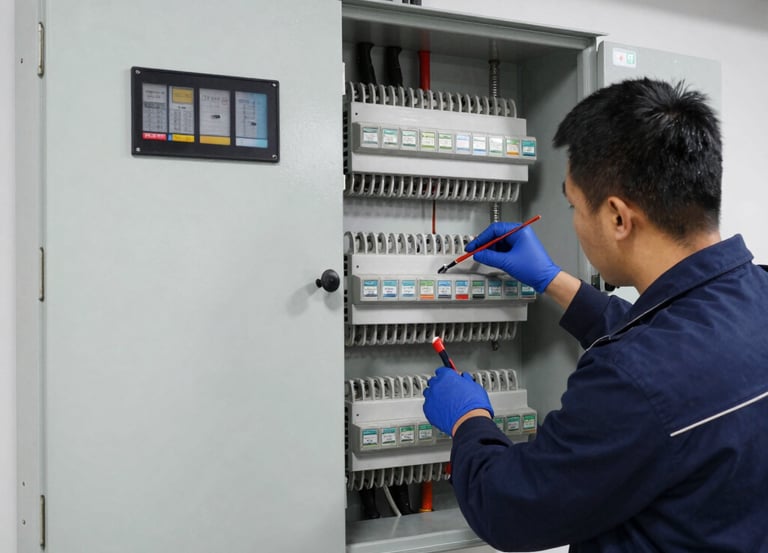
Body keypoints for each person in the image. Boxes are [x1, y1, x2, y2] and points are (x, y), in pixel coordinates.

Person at [422, 78, 768, 552]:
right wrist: (553, 280)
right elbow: (686, 348)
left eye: (573, 205)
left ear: (618, 218)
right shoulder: (757, 293)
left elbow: (507, 507)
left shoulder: (630, 380)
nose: (573, 221)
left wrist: (468, 419)